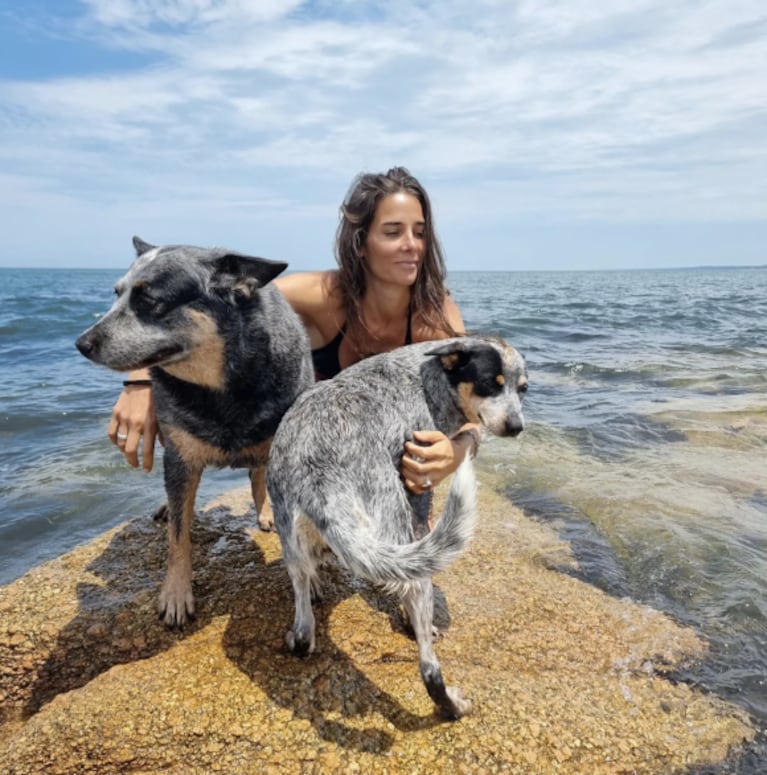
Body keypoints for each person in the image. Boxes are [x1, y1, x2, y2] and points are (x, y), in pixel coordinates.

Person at [109, 166, 479, 499]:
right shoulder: (317, 296)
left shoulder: (435, 315)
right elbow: (208, 305)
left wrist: (452, 453)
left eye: (419, 232)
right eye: (392, 232)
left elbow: (473, 408)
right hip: (313, 437)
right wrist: (140, 383)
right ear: (360, 243)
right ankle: (262, 484)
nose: (411, 245)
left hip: (374, 442)